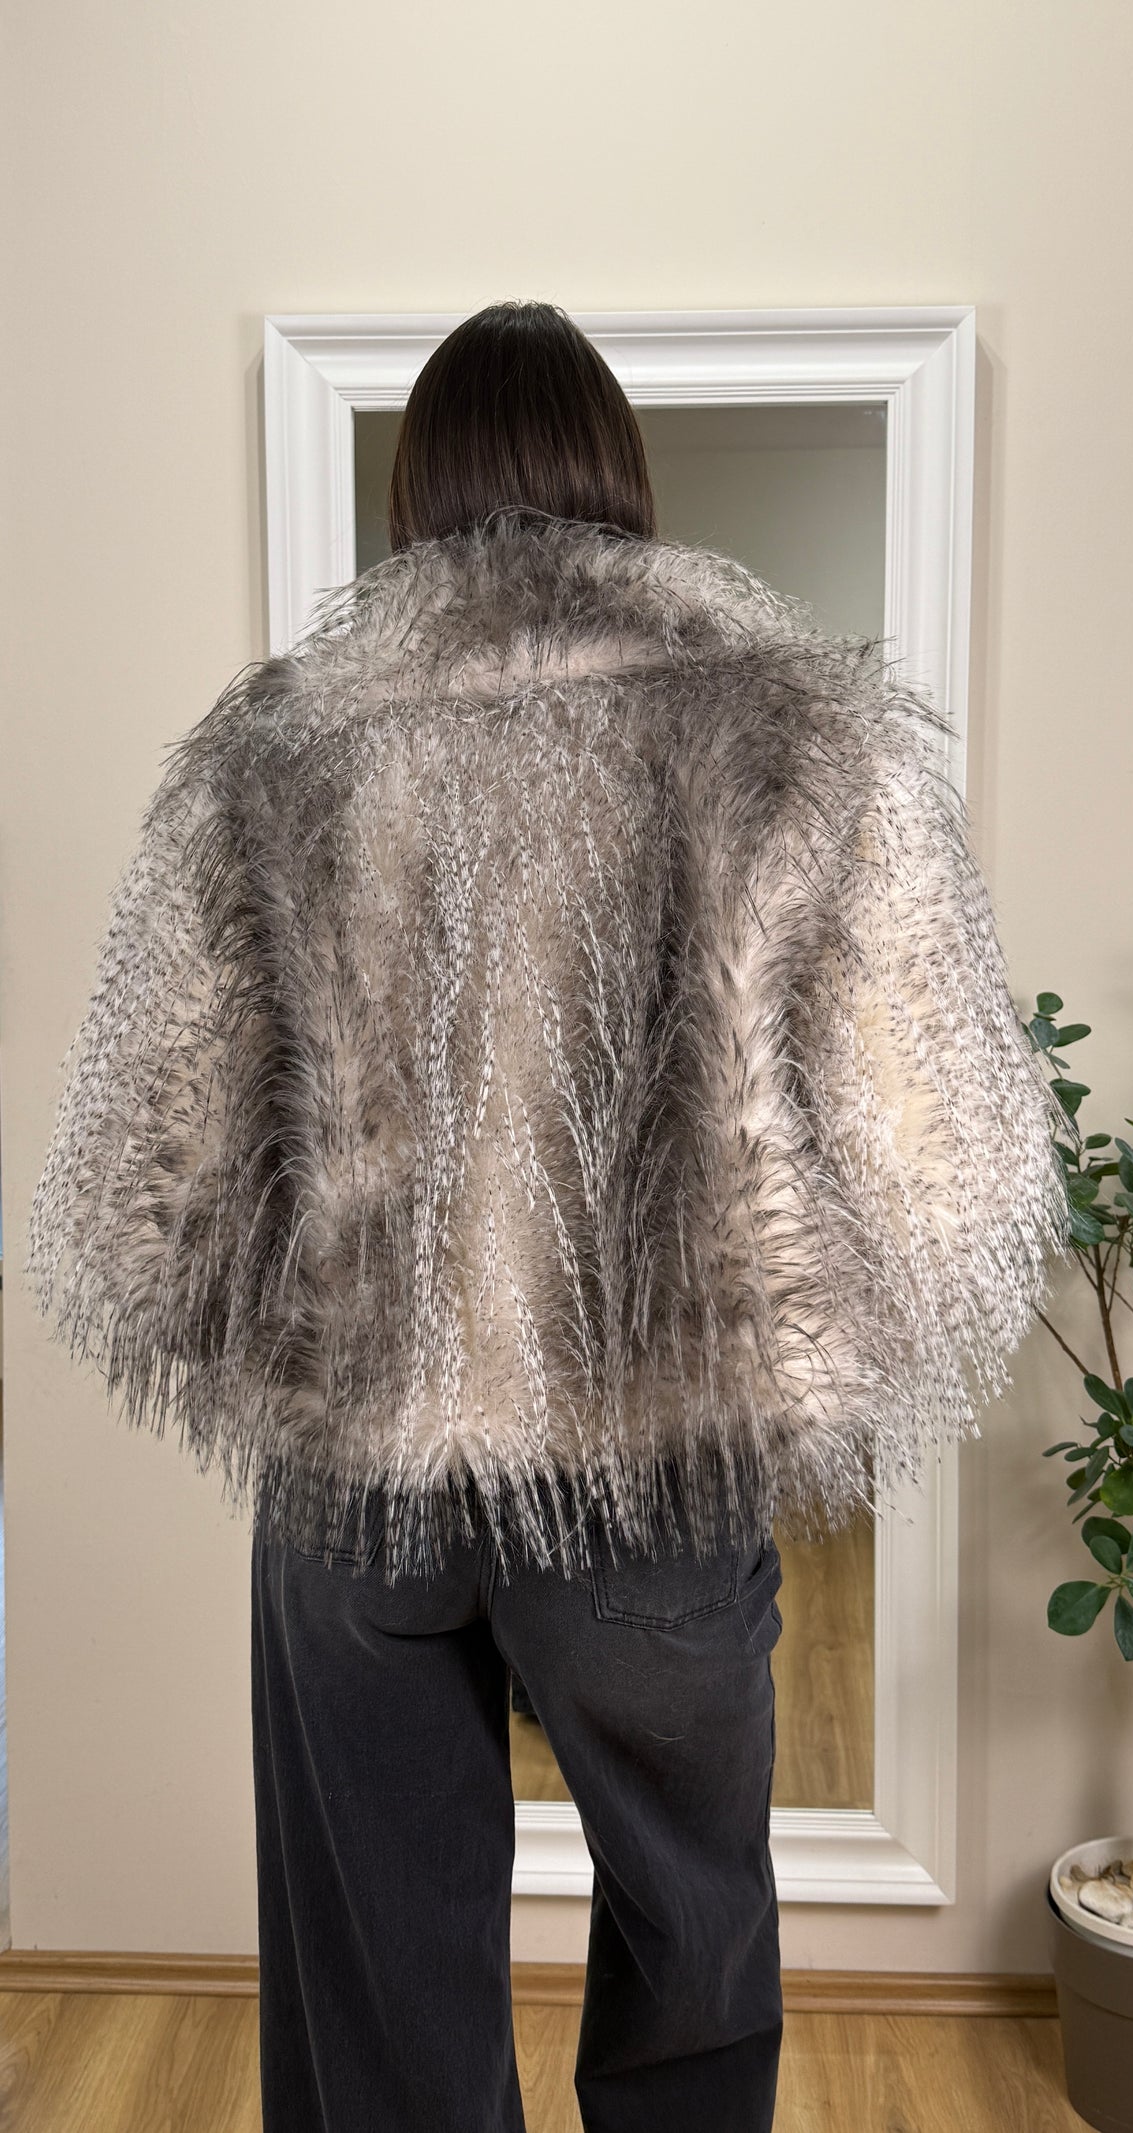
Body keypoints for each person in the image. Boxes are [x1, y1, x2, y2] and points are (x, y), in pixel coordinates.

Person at [24, 299, 1070, 2132]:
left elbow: (150, 1197)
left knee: (378, 1974)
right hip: (653, 1469)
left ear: (415, 489)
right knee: (695, 1934)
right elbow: (948, 1172)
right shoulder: (794, 728)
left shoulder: (279, 751)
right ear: (620, 473)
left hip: (358, 1479)